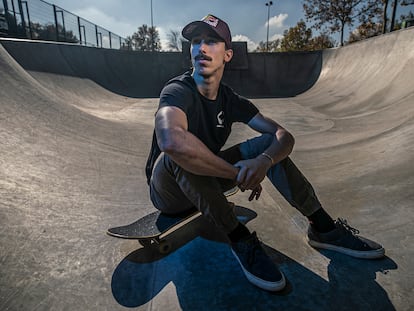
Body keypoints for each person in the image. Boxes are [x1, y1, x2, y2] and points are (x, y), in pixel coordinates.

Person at [145, 14, 385, 292]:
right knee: (178, 153)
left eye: (211, 41)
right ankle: (240, 239)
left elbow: (283, 136)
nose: (201, 48)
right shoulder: (177, 90)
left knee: (266, 145)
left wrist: (263, 161)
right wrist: (239, 173)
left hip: (209, 181)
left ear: (228, 54)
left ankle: (323, 227)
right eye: (196, 42)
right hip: (169, 192)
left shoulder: (230, 100)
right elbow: (171, 142)